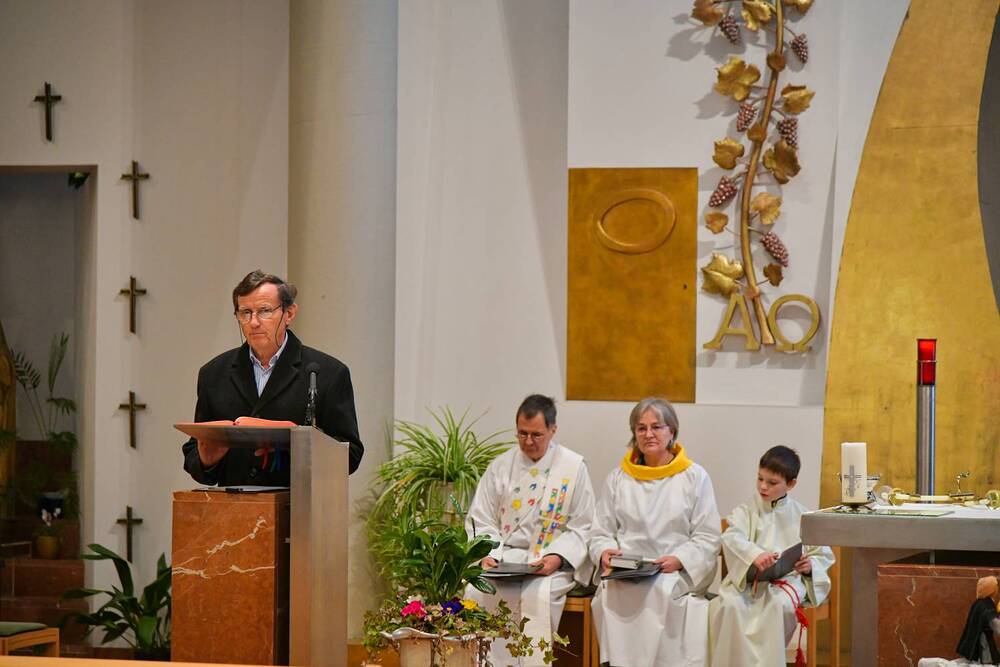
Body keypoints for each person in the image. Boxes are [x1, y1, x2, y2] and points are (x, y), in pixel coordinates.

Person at [181, 270, 363, 486]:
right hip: (234, 504)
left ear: (289, 314)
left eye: (265, 311)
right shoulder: (213, 373)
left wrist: (298, 445)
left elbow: (350, 456)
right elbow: (194, 452)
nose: (253, 322)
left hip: (296, 502)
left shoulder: (327, 373)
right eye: (245, 312)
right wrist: (206, 461)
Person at [590, 396, 722, 667]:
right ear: (634, 434)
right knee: (611, 591)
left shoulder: (694, 477)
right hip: (627, 570)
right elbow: (600, 530)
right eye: (641, 428)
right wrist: (604, 551)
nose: (648, 434)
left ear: (671, 431)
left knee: (661, 591)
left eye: (656, 427)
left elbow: (708, 535)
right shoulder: (618, 478)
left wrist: (680, 559)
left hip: (671, 570)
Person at [465, 394, 595, 667]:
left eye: (536, 434)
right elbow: (482, 518)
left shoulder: (572, 468)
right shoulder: (500, 467)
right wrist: (488, 554)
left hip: (548, 562)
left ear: (553, 430)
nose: (528, 441)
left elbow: (583, 525)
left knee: (538, 597)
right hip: (505, 558)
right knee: (477, 592)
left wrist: (557, 557)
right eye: (522, 433)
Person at [709, 445, 835, 667]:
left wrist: (809, 566)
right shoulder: (746, 511)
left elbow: (821, 555)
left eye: (772, 482)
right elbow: (732, 537)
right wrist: (754, 554)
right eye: (760, 478)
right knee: (729, 605)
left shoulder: (803, 516)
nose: (763, 486)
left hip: (786, 580)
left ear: (791, 484)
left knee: (779, 605)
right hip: (749, 582)